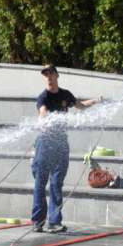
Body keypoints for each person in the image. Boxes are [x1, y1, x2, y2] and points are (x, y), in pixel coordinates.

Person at [31, 64, 101, 233]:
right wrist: (44, 120)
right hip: (45, 143)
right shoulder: (43, 97)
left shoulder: (65, 94)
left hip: (61, 143)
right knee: (40, 182)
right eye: (45, 75)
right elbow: (42, 112)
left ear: (57, 75)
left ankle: (54, 221)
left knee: (56, 183)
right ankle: (38, 221)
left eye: (50, 74)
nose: (48, 77)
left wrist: (96, 101)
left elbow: (79, 106)